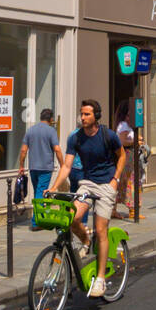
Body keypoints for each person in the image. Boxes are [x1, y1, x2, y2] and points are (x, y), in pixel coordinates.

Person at [47, 99, 125, 299]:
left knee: (101, 230)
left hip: (107, 184)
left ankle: (100, 279)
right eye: (81, 114)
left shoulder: (109, 135)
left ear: (96, 116)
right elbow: (67, 166)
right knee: (71, 218)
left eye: (87, 114)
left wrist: (115, 179)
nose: (83, 117)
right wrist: (54, 188)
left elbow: (122, 155)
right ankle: (85, 240)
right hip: (87, 183)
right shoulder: (76, 138)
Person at [18, 108, 62, 200]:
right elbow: (57, 150)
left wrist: (21, 166)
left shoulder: (30, 130)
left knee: (37, 191)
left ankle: (40, 213)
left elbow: (23, 150)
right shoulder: (51, 131)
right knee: (41, 193)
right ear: (51, 119)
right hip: (45, 168)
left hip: (33, 167)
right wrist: (62, 165)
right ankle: (36, 215)